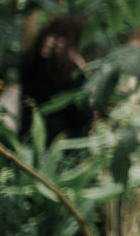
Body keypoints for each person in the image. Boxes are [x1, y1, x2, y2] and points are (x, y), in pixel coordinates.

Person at [18, 14, 92, 144]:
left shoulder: (32, 61)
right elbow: (83, 116)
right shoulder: (70, 71)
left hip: (29, 136)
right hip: (60, 144)